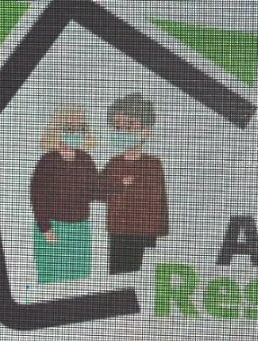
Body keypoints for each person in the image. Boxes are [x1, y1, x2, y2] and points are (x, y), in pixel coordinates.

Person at [29, 106, 99, 284]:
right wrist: (45, 228)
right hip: (54, 228)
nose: (75, 134)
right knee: (52, 280)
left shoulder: (86, 159)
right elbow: (37, 196)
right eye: (69, 129)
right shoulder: (47, 161)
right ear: (57, 131)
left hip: (80, 230)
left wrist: (118, 186)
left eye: (80, 129)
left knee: (80, 281)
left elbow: (94, 191)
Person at [101, 93, 168, 275]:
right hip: (118, 231)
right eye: (117, 127)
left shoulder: (153, 165)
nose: (122, 132)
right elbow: (97, 190)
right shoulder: (114, 164)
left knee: (139, 277)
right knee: (118, 275)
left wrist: (154, 235)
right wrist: (117, 185)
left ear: (146, 131)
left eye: (130, 126)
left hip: (143, 233)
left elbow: (159, 203)